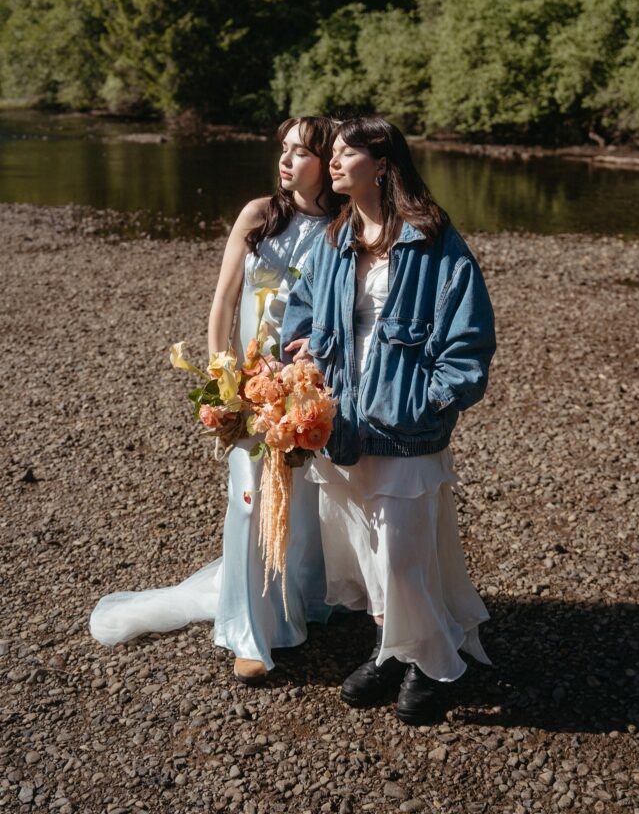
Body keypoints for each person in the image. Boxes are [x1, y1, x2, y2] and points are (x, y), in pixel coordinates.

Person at [90, 116, 340, 685]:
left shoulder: (341, 227)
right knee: (250, 500)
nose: (286, 160)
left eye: (300, 152)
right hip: (249, 382)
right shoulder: (259, 215)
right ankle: (248, 631)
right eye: (283, 149)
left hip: (307, 384)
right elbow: (225, 300)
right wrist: (223, 374)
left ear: (328, 162)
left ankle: (294, 602)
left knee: (301, 500)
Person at [282, 115, 495, 724]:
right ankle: (389, 649)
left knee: (401, 555)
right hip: (340, 423)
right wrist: (302, 354)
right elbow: (301, 313)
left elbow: (469, 343)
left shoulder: (434, 242)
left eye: (349, 152)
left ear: (382, 164)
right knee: (364, 551)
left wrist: (425, 402)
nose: (336, 161)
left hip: (404, 429)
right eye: (336, 153)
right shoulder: (334, 240)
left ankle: (434, 665)